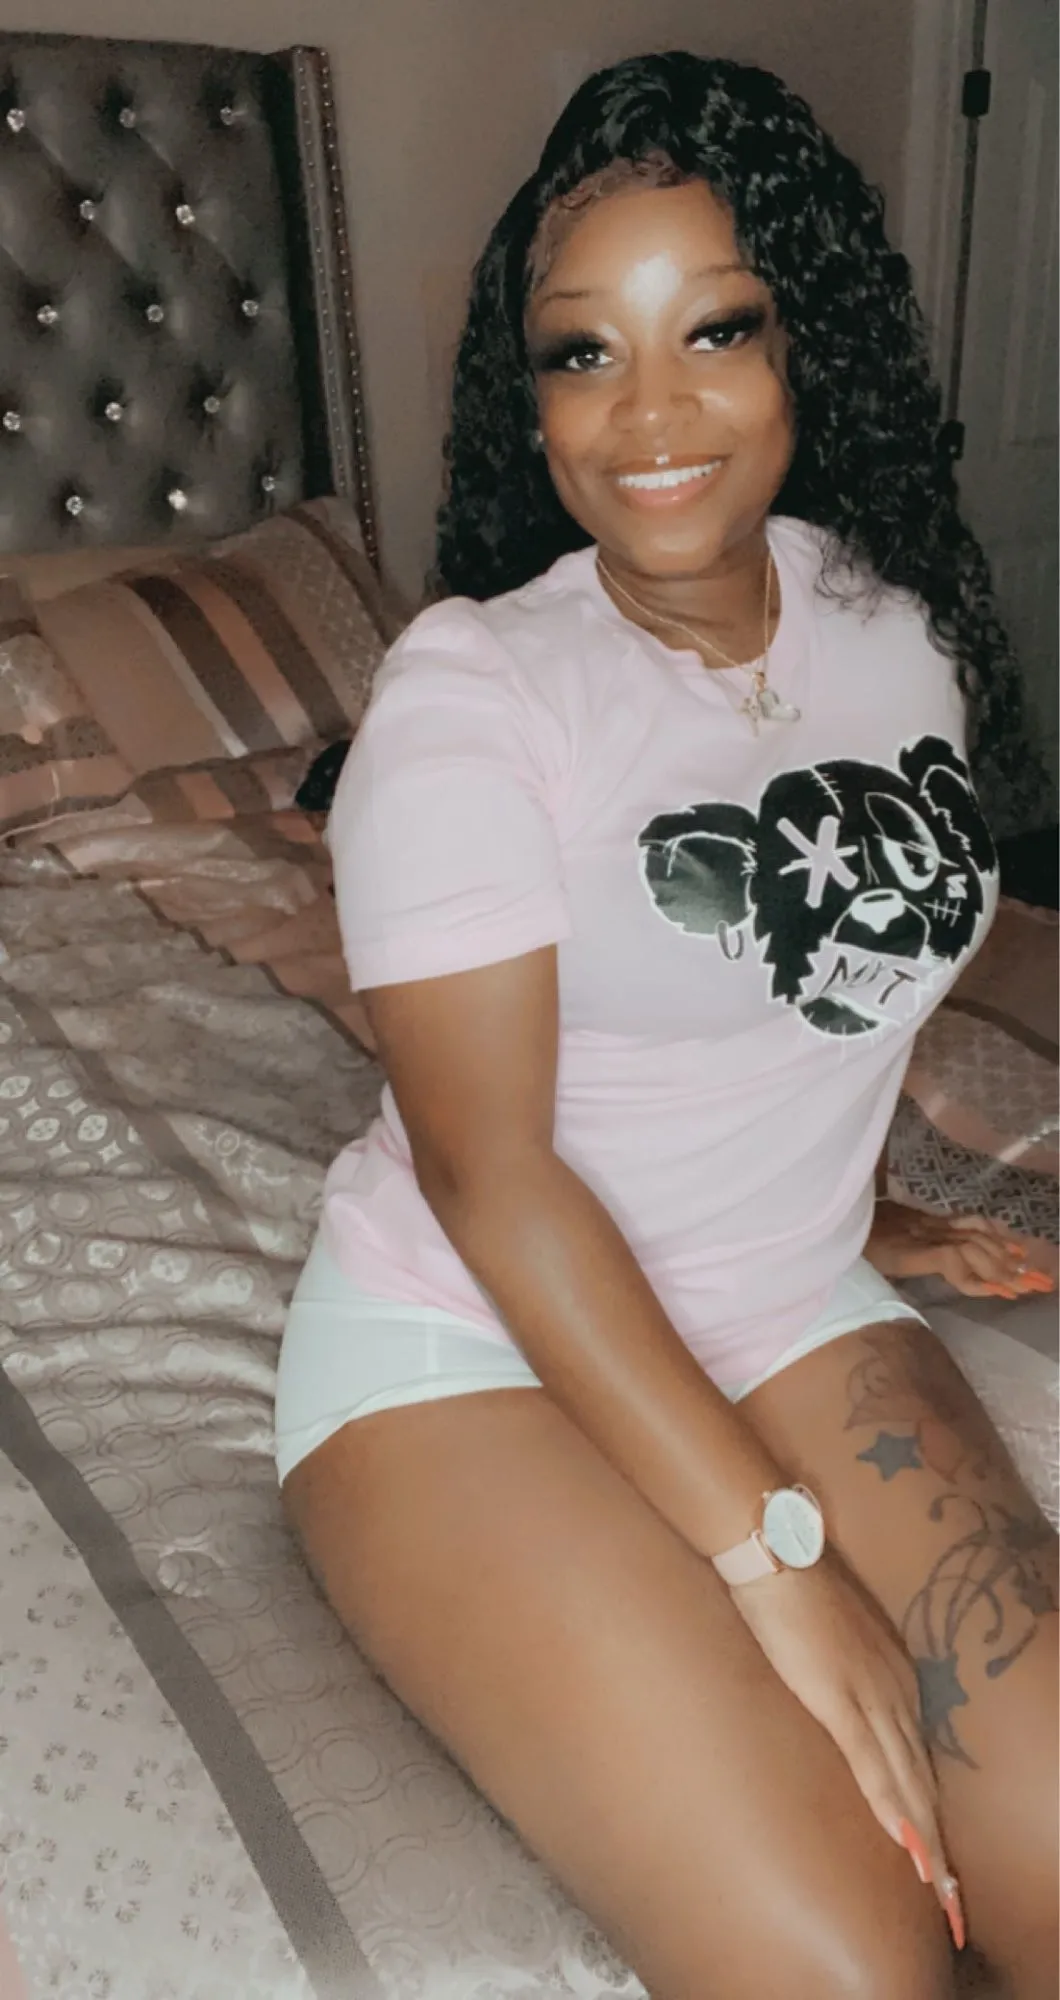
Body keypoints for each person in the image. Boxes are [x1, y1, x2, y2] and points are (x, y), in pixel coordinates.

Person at [276, 53, 1058, 1999]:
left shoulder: (895, 627)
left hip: (778, 1297)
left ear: (803, 342)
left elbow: (815, 986)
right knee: (853, 1962)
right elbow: (492, 1174)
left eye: (714, 327)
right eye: (581, 353)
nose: (647, 416)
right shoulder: (471, 692)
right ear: (526, 394)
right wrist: (772, 1560)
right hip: (465, 1340)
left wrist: (860, 1205)